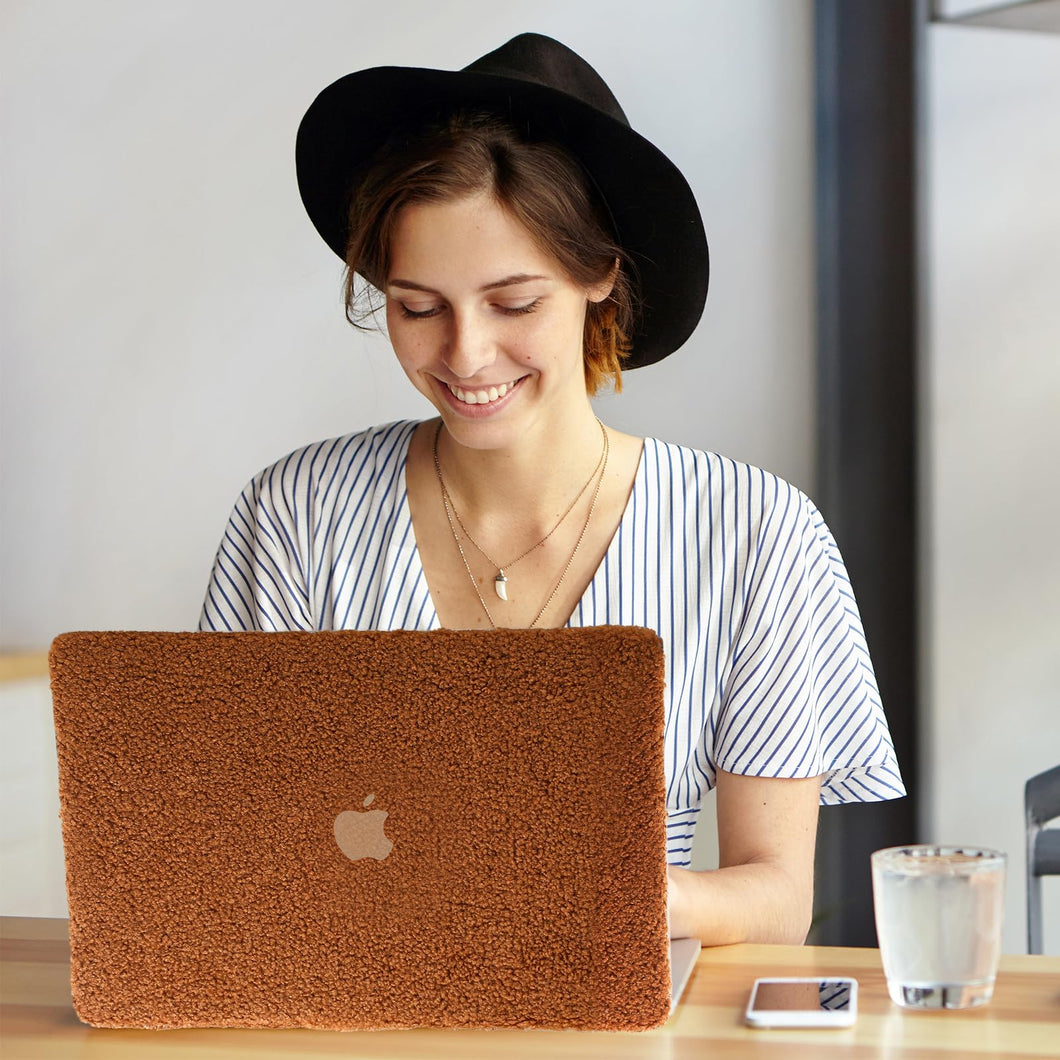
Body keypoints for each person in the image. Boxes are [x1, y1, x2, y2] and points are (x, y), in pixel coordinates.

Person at [200, 33, 905, 945]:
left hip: (625, 1006)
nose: (466, 355)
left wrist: (639, 897)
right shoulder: (294, 515)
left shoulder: (754, 532)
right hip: (350, 1009)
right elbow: (218, 843)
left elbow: (775, 900)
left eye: (514, 303)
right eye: (418, 307)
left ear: (599, 275)